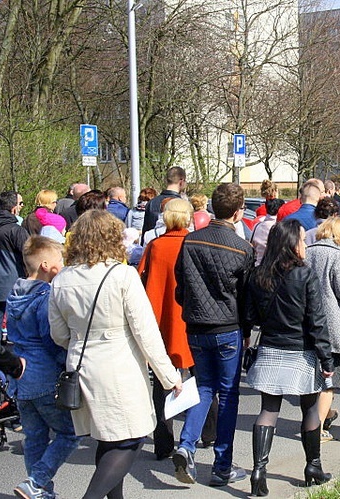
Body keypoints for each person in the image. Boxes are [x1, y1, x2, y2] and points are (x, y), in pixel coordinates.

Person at [49, 210, 181, 499]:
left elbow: (59, 335)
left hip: (81, 365)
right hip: (119, 367)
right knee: (130, 440)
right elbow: (145, 332)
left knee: (108, 441)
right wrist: (170, 377)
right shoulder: (122, 275)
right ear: (112, 238)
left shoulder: (62, 279)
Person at [245, 219, 334, 495]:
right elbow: (317, 321)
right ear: (291, 244)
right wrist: (327, 360)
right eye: (302, 240)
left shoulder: (258, 275)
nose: (305, 244)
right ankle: (313, 467)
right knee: (309, 409)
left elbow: (251, 316)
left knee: (268, 410)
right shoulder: (305, 275)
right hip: (301, 351)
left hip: (271, 348)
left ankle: (259, 469)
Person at [173, 183, 253, 487]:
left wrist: (190, 307)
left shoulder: (191, 241)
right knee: (228, 394)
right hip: (226, 327)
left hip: (196, 326)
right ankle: (222, 465)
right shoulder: (242, 248)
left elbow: (181, 284)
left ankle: (187, 445)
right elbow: (246, 297)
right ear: (236, 212)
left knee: (204, 388)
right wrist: (246, 330)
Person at [6, 236, 81, 499]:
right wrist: (67, 364)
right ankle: (37, 481)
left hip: (20, 376)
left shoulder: (14, 293)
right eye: (60, 260)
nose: (62, 265)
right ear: (47, 264)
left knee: (35, 437)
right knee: (70, 433)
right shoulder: (45, 297)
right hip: (44, 375)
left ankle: (41, 493)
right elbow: (51, 339)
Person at [138, 199, 194, 460]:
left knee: (162, 380)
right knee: (199, 377)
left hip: (160, 318)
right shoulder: (193, 244)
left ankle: (163, 441)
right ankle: (205, 431)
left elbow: (143, 278)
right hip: (191, 318)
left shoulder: (155, 246)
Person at [306, 216, 340, 442]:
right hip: (332, 323)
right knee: (330, 380)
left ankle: (321, 416)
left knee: (313, 377)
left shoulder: (307, 252)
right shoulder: (337, 256)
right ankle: (317, 429)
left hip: (308, 321)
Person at [0, 191, 29, 337]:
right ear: (13, 208)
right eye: (20, 203)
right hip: (15, 286)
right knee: (21, 332)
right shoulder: (16, 231)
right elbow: (30, 256)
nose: (21, 207)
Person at [143, 166, 186, 235]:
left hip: (153, 242)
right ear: (181, 182)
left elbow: (145, 231)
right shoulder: (184, 205)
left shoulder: (151, 203)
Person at [251, 198, 286, 266]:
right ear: (281, 209)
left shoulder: (257, 225)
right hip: (272, 267)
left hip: (257, 265)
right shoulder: (278, 227)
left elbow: (252, 245)